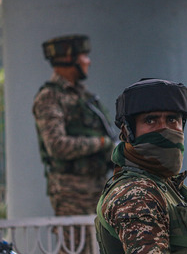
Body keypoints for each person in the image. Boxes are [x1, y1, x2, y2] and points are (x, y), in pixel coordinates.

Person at [95, 78, 187, 254]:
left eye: (172, 119)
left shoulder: (166, 186)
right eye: (151, 120)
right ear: (128, 132)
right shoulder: (137, 193)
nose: (164, 129)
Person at [33, 34, 115, 253]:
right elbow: (57, 145)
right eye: (84, 56)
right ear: (68, 59)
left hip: (97, 187)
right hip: (71, 192)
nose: (88, 61)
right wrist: (100, 143)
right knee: (75, 249)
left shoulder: (85, 98)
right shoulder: (49, 97)